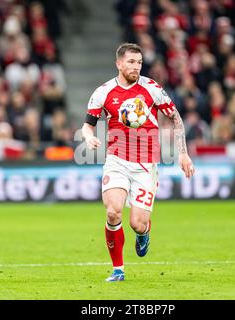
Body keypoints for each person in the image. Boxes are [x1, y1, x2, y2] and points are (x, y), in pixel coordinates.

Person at [81, 43, 195, 282]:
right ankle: (118, 270)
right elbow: (87, 124)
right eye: (131, 62)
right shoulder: (103, 92)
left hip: (145, 165)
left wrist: (182, 153)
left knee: (137, 223)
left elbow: (176, 118)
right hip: (116, 160)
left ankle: (145, 232)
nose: (136, 67)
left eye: (140, 62)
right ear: (119, 63)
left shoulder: (151, 88)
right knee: (113, 212)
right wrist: (89, 137)